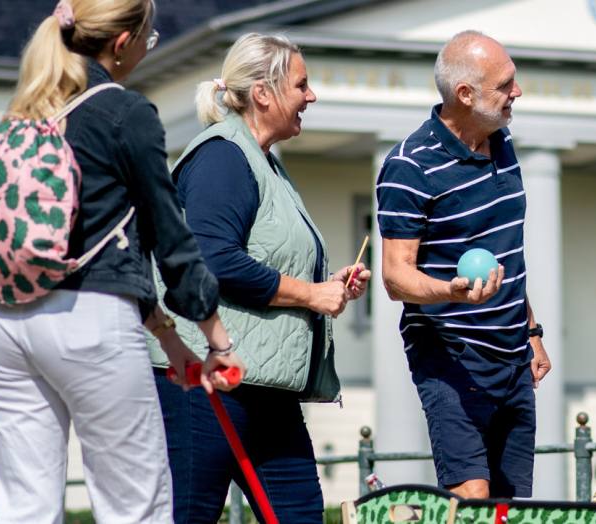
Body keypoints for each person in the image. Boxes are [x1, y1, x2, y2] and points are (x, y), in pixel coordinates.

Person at [0, 0, 243, 521]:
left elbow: (109, 234)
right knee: (132, 505)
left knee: (22, 508)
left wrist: (167, 339)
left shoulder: (27, 109)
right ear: (123, 43)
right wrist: (216, 340)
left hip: (0, 322)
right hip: (88, 323)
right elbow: (169, 237)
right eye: (150, 36)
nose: (149, 45)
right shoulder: (125, 112)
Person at [150, 33, 370, 524]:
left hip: (267, 390)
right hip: (207, 387)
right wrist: (311, 294)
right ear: (264, 93)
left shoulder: (263, 162)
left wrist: (326, 283)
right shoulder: (222, 156)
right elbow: (211, 259)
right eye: (301, 85)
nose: (310, 96)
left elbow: (260, 259)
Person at [375, 30, 552, 499]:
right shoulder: (409, 166)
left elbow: (507, 254)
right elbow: (396, 278)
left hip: (512, 353)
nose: (518, 92)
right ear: (466, 94)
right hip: (448, 353)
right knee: (470, 498)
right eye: (505, 84)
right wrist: (452, 291)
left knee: (507, 504)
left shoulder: (504, 144)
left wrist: (531, 333)